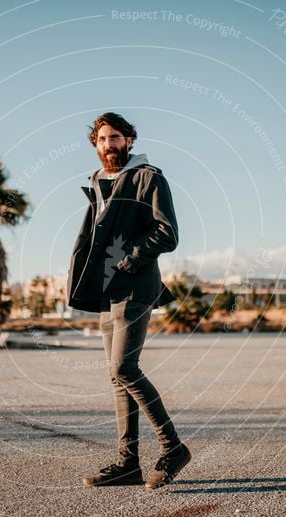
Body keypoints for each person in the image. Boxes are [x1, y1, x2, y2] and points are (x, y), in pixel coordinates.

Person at [66, 112, 191, 489]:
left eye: (116, 137)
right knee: (116, 377)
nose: (110, 144)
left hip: (135, 286)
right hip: (107, 291)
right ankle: (127, 463)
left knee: (124, 368)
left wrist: (129, 261)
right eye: (103, 139)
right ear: (96, 144)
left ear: (129, 141)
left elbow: (167, 233)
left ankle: (173, 448)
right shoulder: (99, 182)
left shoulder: (147, 177)